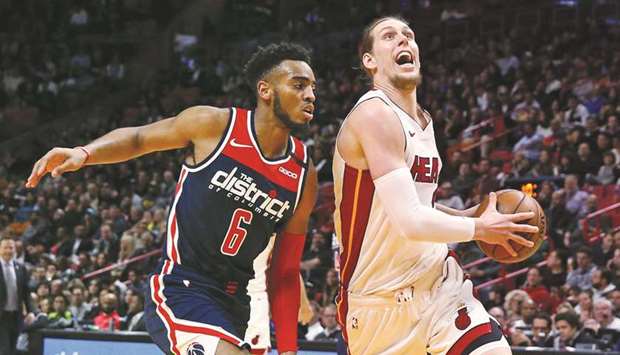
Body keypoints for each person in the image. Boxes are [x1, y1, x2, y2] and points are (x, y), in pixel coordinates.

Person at [26, 42, 318, 355]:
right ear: (266, 90)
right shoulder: (215, 126)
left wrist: (288, 348)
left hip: (242, 305)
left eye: (313, 88)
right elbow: (139, 138)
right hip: (184, 289)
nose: (310, 95)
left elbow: (285, 270)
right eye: (299, 86)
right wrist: (84, 153)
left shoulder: (303, 172)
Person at [333, 16, 538, 355]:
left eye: (408, 36)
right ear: (369, 61)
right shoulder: (373, 115)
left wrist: (472, 214)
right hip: (379, 300)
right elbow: (410, 221)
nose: (403, 41)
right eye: (389, 36)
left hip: (439, 281)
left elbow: (419, 206)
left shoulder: (423, 120)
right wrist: (479, 227)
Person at [0, 238, 34, 355]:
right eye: (5, 248)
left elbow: (26, 293)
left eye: (11, 248)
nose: (8, 251)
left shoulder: (21, 268)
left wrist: (31, 311)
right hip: (1, 316)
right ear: (0, 249)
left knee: (13, 349)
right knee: (4, 350)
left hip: (16, 315)